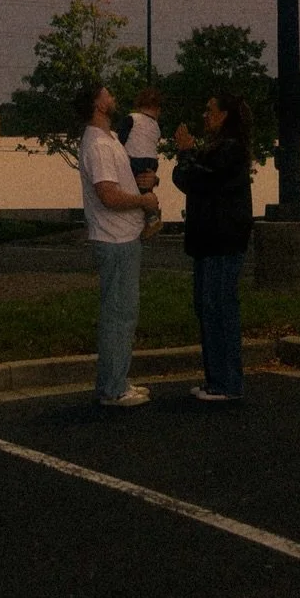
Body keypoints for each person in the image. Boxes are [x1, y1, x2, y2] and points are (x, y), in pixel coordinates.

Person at [76, 80, 161, 408]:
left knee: (122, 313)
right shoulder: (98, 145)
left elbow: (119, 183)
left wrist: (146, 183)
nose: (113, 97)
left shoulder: (109, 139)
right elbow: (107, 194)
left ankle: (116, 381)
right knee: (118, 315)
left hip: (122, 237)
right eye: (107, 93)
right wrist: (143, 202)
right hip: (115, 239)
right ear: (98, 104)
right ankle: (113, 389)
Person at [172, 90, 253, 402]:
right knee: (207, 308)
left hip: (223, 240)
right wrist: (188, 157)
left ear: (224, 116)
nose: (204, 115)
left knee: (219, 308)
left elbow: (195, 180)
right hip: (209, 240)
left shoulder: (230, 150)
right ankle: (216, 378)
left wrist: (186, 153)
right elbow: (186, 178)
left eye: (210, 110)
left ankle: (228, 383)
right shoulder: (217, 149)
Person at [123, 84, 164, 241]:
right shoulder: (156, 126)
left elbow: (121, 138)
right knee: (147, 191)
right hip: (151, 161)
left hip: (134, 158)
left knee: (132, 188)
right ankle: (152, 218)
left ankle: (148, 221)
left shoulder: (132, 119)